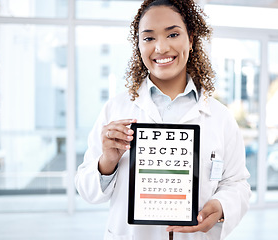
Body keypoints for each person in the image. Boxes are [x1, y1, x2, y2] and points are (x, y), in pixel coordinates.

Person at [75, 0, 251, 239]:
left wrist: (221, 206)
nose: (160, 47)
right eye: (148, 38)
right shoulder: (116, 109)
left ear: (190, 39)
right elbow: (87, 188)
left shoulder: (220, 117)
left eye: (173, 34)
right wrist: (107, 161)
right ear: (138, 46)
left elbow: (237, 183)